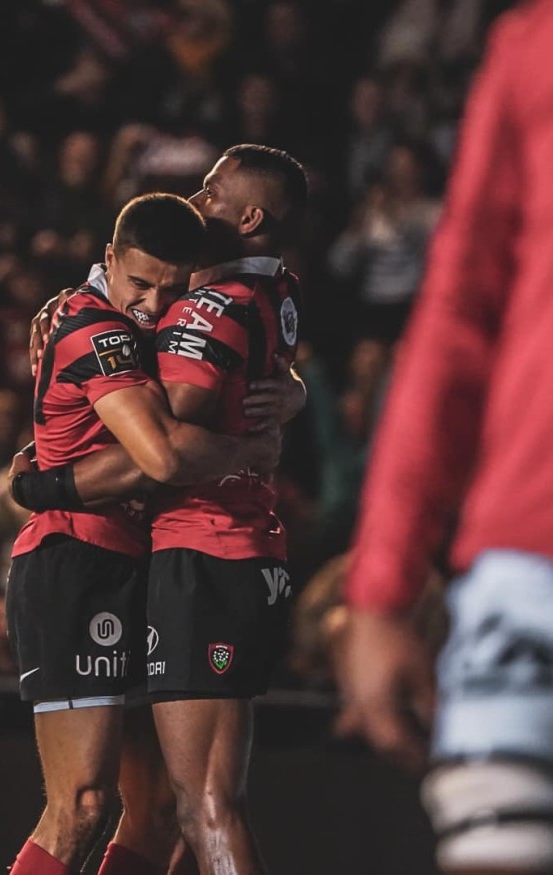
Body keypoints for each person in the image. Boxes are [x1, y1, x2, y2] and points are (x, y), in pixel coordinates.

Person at [18, 144, 308, 875]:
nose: (196, 199)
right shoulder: (259, 292)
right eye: (140, 284)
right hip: (113, 555)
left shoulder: (212, 305)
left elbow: (165, 451)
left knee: (190, 806)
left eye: (211, 190)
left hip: (200, 553)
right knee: (119, 806)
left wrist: (44, 484)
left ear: (248, 217)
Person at [342, 5, 553, 874]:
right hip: (531, 578)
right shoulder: (531, 49)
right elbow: (456, 319)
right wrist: (380, 588)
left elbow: (454, 319)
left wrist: (384, 584)